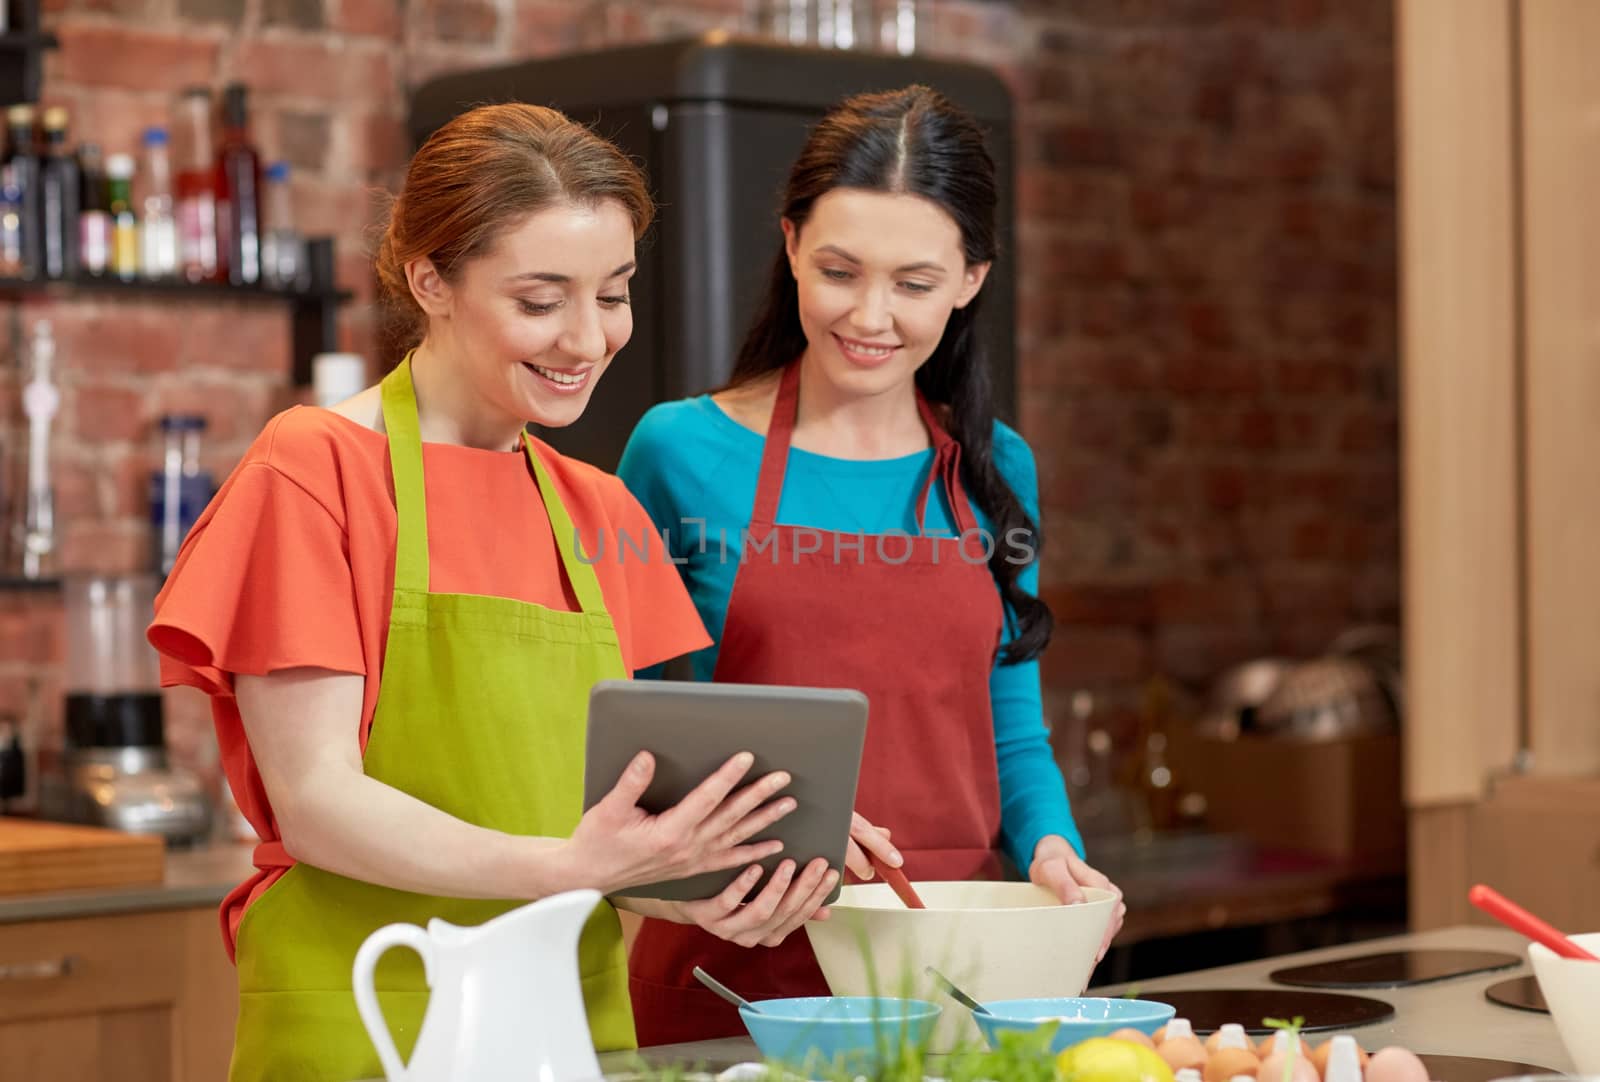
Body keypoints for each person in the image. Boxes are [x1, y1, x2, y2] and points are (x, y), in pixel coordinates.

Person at [146, 103, 839, 1082]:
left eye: (613, 292)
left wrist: (705, 874)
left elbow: (591, 827)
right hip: (370, 1016)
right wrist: (575, 868)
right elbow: (317, 801)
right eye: (540, 297)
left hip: (570, 1020)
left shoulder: (598, 509)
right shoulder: (315, 470)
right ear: (430, 279)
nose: (588, 337)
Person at [617, 85, 1128, 1045]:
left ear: (972, 279)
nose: (871, 315)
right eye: (841, 271)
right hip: (735, 972)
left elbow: (1008, 729)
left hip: (951, 970)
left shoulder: (994, 467)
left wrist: (1056, 853)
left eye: (915, 282)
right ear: (791, 246)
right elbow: (622, 742)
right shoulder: (679, 451)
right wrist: (768, 828)